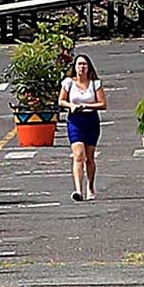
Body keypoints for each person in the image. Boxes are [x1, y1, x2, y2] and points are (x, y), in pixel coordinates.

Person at [60, 53, 109, 200]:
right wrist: (71, 106)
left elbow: (103, 104)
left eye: (84, 64)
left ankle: (90, 186)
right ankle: (78, 190)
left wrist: (86, 105)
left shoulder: (95, 84)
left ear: (89, 67)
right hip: (75, 121)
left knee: (90, 157)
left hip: (91, 120)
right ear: (75, 67)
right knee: (78, 155)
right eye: (79, 64)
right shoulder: (68, 83)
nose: (82, 67)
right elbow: (61, 100)